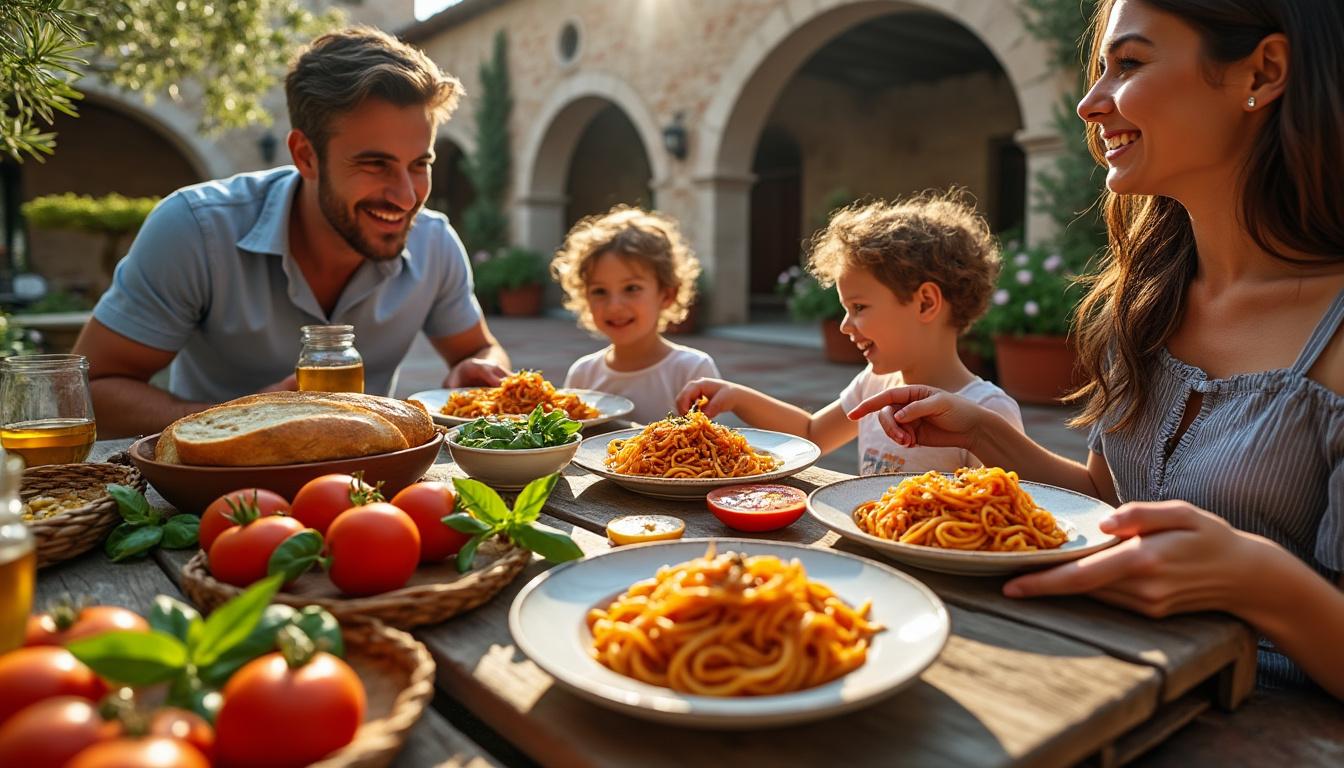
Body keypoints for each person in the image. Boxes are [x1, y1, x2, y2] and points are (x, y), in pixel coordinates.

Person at [848, 0, 1344, 698]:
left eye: (1130, 64)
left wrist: (1257, 580)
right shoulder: (1148, 304)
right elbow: (1111, 503)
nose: (1088, 104)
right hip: (1098, 682)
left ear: (1261, 72)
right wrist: (987, 432)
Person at [73, 26, 510, 438]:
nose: (405, 196)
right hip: (215, 491)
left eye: (420, 165)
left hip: (366, 487)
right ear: (306, 156)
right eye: (375, 164)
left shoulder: (435, 242)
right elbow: (91, 390)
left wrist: (479, 371)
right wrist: (242, 419)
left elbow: (479, 352)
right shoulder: (196, 229)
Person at [677, 193, 1023, 474]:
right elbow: (811, 434)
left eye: (858, 308)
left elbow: (1002, 511)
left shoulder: (987, 411)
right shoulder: (874, 385)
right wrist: (736, 397)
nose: (844, 325)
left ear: (925, 303)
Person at [552, 206, 719, 424]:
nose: (614, 306)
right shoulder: (583, 374)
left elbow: (712, 448)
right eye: (599, 291)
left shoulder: (692, 370)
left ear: (667, 294)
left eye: (631, 288)